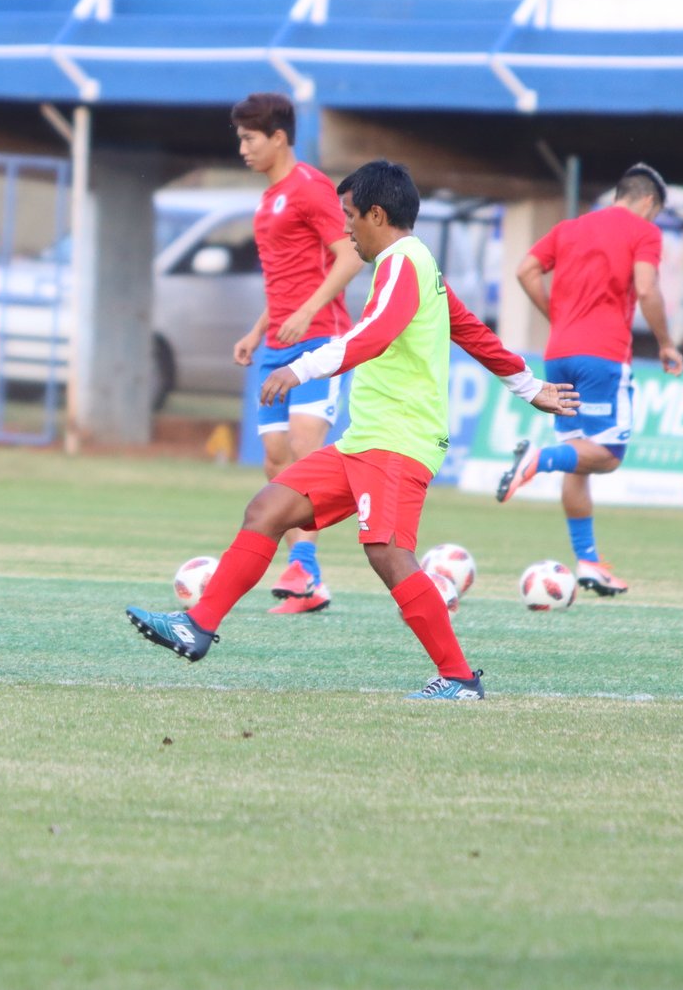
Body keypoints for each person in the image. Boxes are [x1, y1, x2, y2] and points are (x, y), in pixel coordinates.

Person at [125, 161, 578, 699]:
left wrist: (302, 367)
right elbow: (469, 328)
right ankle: (197, 625)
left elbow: (374, 335)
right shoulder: (416, 264)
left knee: (387, 553)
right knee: (269, 508)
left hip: (397, 441)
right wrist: (529, 387)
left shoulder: (402, 263)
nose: (345, 229)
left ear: (377, 215)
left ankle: (458, 678)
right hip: (364, 440)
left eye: (350, 217)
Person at [496, 163, 683, 596]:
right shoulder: (643, 232)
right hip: (603, 356)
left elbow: (525, 270)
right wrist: (666, 343)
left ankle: (589, 562)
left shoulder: (569, 228)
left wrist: (558, 318)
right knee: (607, 454)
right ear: (648, 202)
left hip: (558, 354)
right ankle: (537, 460)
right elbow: (648, 288)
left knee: (578, 460)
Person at [227, 93, 361, 615]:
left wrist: (309, 311)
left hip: (320, 339)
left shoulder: (310, 186)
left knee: (306, 450)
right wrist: (258, 329)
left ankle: (305, 568)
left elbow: (349, 257)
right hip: (277, 345)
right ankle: (307, 580)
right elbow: (282, 279)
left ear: (278, 137)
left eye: (249, 138)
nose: (242, 147)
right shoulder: (267, 202)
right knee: (276, 458)